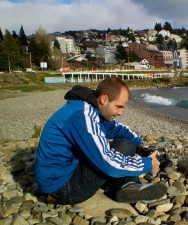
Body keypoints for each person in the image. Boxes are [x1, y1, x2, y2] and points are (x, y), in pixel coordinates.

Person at [35, 77, 167, 205]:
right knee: (123, 146)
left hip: (66, 173)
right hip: (60, 188)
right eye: (118, 106)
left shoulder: (90, 108)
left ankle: (125, 186)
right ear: (104, 99)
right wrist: (147, 164)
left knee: (126, 142)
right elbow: (106, 162)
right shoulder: (82, 115)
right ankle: (124, 185)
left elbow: (116, 128)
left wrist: (139, 145)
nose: (120, 112)